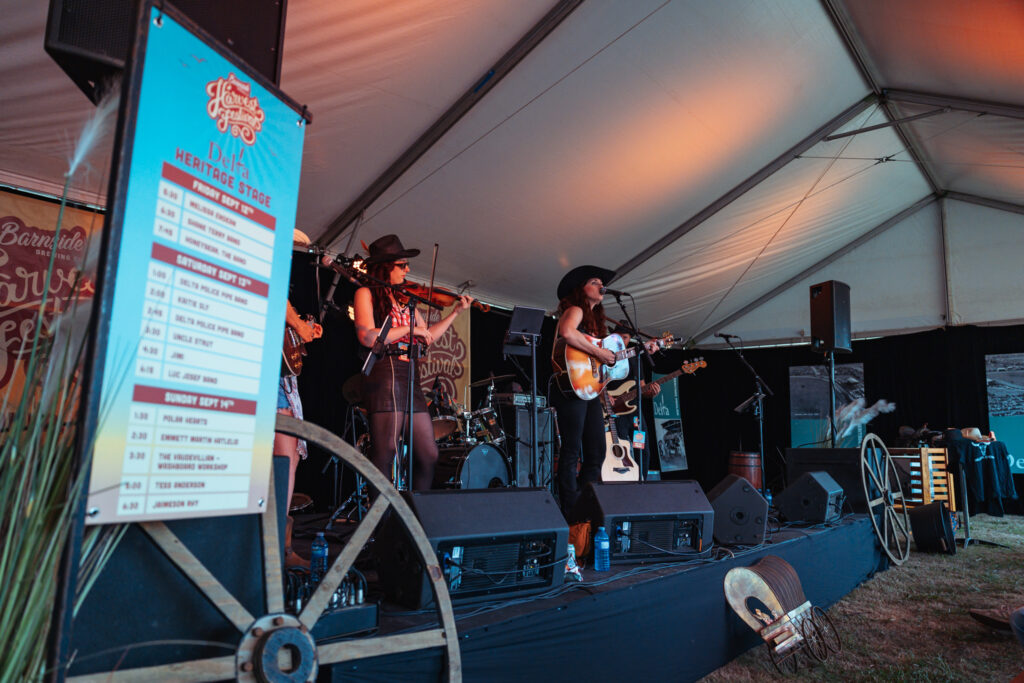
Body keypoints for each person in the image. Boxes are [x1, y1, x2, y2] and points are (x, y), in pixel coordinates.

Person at [352, 234, 473, 490]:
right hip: (385, 374)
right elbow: (367, 336)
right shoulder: (365, 293)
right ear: (385, 267)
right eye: (402, 265)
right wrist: (410, 331)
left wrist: (455, 313)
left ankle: (414, 510)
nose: (407, 269)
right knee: (385, 451)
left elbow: (427, 336)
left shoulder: (404, 300)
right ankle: (381, 513)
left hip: (410, 376)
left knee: (428, 453)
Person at [549, 265, 659, 515]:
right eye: (595, 282)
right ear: (581, 289)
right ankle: (569, 511)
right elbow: (567, 333)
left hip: (589, 391)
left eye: (602, 283)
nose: (601, 286)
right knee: (571, 450)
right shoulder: (575, 310)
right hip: (570, 390)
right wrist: (599, 352)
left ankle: (583, 507)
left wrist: (642, 349)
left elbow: (602, 364)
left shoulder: (598, 325)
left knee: (597, 451)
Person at [276, 231, 323, 566]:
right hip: (265, 378)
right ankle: (277, 550)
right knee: (283, 458)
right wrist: (301, 328)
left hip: (276, 378)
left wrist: (299, 333)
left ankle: (280, 547)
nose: (291, 255)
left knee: (286, 458)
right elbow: (273, 293)